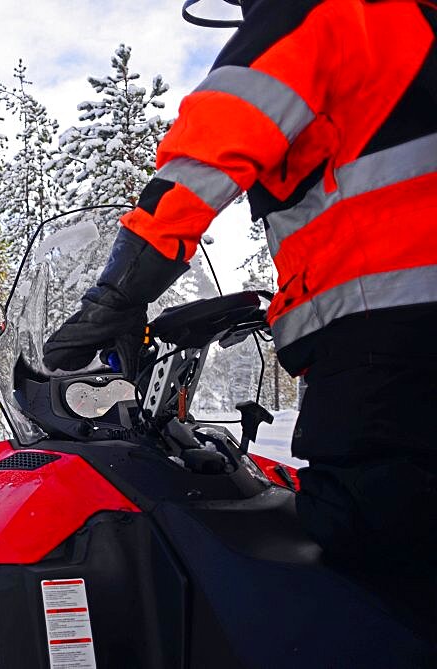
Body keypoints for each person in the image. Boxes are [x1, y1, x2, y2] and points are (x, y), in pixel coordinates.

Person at [43, 0, 437, 624]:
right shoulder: (414, 25)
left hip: (387, 341)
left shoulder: (322, 13)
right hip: (396, 336)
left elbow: (214, 144)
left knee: (376, 553)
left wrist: (118, 291)